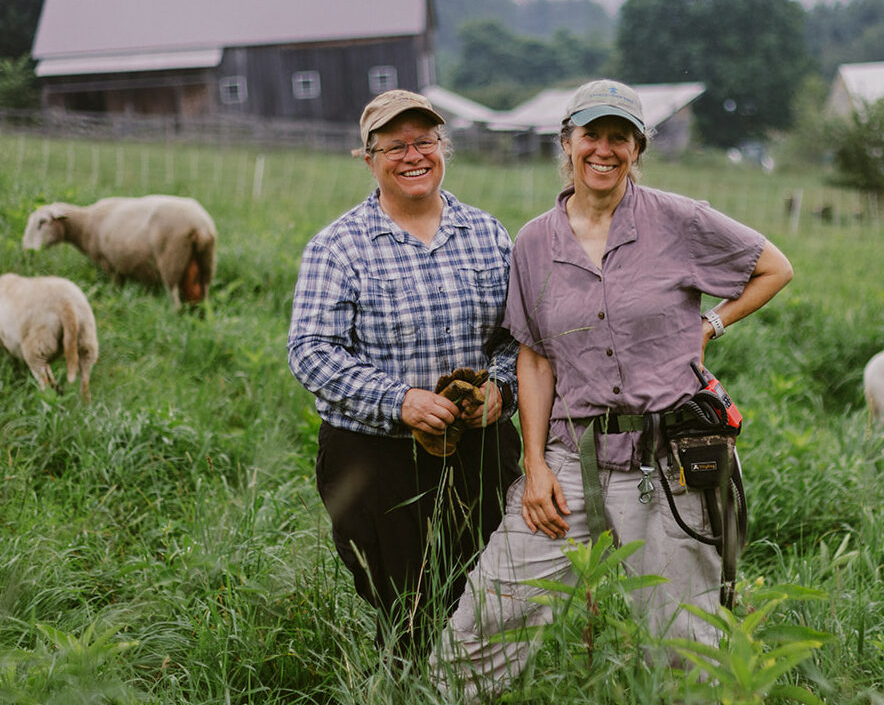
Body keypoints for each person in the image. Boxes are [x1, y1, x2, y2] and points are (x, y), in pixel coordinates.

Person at [432, 79, 794, 696]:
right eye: (591, 135)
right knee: (488, 616)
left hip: (669, 461)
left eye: (619, 137)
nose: (604, 149)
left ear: (638, 147)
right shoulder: (534, 243)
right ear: (567, 143)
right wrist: (535, 464)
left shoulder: (678, 221)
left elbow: (773, 267)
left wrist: (712, 322)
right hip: (573, 460)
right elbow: (536, 358)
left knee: (684, 639)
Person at [287, 89, 522, 658]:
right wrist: (401, 401)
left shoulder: (487, 234)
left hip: (478, 449)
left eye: (424, 142)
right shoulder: (339, 247)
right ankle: (409, 684)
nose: (413, 155)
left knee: (487, 588)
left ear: (443, 148)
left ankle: (478, 685)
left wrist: (502, 390)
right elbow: (311, 350)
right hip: (376, 456)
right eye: (395, 146)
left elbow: (518, 337)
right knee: (404, 601)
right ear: (368, 159)